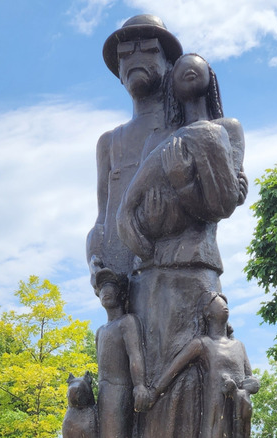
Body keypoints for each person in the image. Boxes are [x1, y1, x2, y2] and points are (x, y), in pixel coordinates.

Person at [116, 53, 248, 437]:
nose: (189, 66)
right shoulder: (158, 140)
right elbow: (142, 209)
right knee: (159, 365)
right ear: (171, 83)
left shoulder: (226, 129)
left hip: (198, 266)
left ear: (210, 76)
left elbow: (222, 204)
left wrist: (183, 184)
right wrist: (166, 209)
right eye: (181, 66)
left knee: (198, 370)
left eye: (197, 62)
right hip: (153, 274)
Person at [86, 14, 183, 288]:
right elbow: (102, 218)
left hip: (177, 274)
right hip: (124, 284)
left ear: (169, 63)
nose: (135, 58)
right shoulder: (109, 143)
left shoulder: (185, 131)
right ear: (119, 73)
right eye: (125, 54)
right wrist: (94, 256)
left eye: (149, 48)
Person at [146, 292, 260, 438]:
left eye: (224, 301)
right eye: (215, 301)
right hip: (215, 408)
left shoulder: (239, 346)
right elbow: (172, 370)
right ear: (207, 313)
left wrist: (250, 385)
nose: (223, 305)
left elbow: (250, 378)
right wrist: (153, 393)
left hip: (237, 410)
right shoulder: (202, 344)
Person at [93, 267, 151, 438]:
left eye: (111, 287)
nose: (105, 292)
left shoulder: (127, 322)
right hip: (103, 392)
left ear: (122, 294)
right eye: (102, 288)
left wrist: (139, 385)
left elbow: (135, 354)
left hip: (120, 391)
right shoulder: (100, 331)